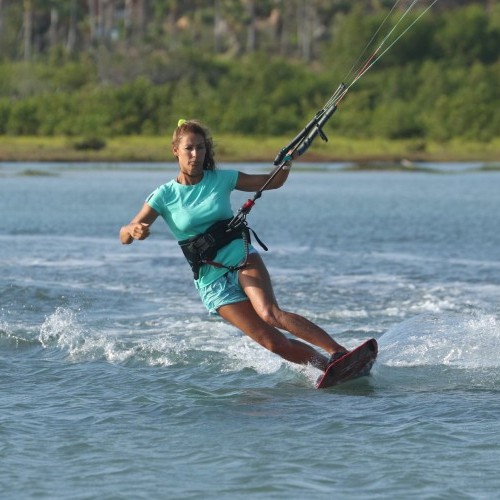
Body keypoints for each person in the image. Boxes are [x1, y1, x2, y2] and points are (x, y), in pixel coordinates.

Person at [120, 119, 347, 372]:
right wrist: (133, 230)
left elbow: (271, 182)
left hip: (241, 258)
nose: (195, 155)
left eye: (200, 148)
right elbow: (124, 233)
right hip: (211, 281)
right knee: (272, 342)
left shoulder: (222, 179)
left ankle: (338, 352)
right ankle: (329, 369)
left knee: (270, 314)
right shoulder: (164, 195)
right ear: (176, 150)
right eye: (189, 149)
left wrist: (286, 164)